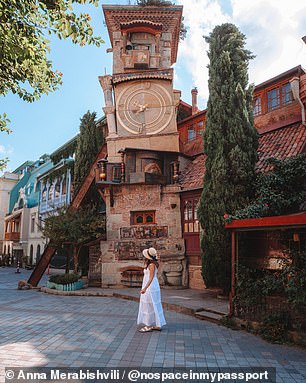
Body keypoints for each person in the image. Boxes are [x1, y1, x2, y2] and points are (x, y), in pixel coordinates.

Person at [137, 247, 166, 332]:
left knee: (148, 305)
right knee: (153, 304)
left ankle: (148, 325)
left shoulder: (152, 265)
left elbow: (151, 278)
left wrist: (145, 288)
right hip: (152, 286)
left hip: (151, 287)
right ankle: (157, 324)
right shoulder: (154, 263)